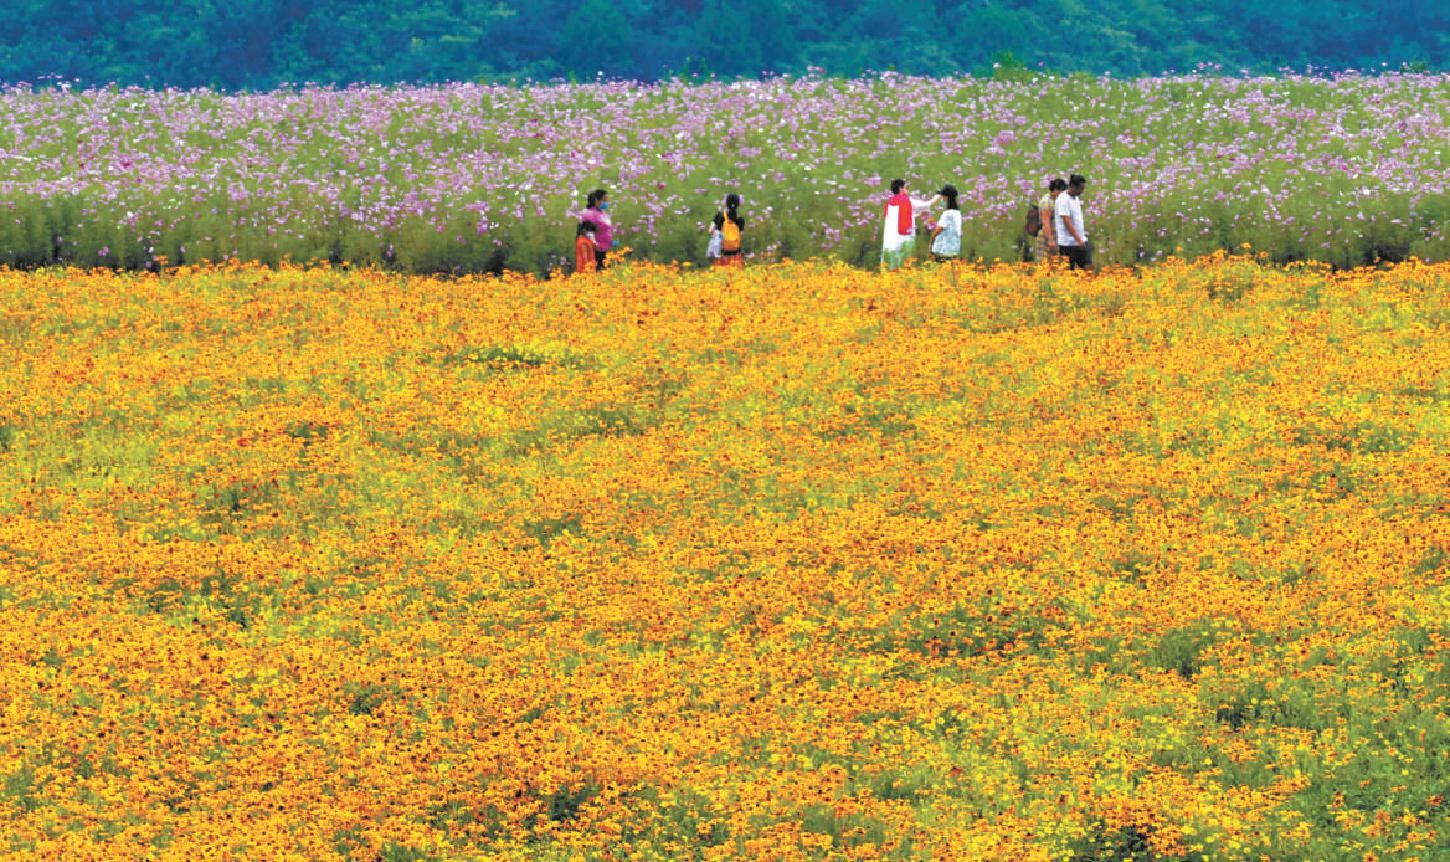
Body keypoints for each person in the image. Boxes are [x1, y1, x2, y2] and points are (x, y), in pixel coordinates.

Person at [881, 179, 941, 271]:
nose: (907, 190)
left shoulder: (889, 202)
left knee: (891, 261)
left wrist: (919, 214)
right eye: (906, 188)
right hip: (903, 236)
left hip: (890, 238)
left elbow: (903, 215)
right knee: (904, 259)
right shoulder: (908, 201)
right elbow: (928, 204)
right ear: (901, 189)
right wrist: (938, 196)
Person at [1054, 174, 1091, 271]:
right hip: (1068, 243)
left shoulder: (1076, 198)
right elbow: (1067, 221)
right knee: (1068, 272)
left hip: (1081, 241)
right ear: (1073, 187)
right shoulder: (1063, 200)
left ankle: (1088, 286)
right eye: (1080, 189)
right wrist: (1078, 239)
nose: (1082, 191)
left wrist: (1081, 237)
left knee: (1088, 267)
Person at [580, 189, 614, 269]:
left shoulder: (602, 212)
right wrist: (593, 242)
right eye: (604, 200)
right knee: (598, 270)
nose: (606, 203)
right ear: (596, 200)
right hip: (595, 249)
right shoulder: (589, 214)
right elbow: (587, 230)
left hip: (604, 247)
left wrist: (610, 241)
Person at [1037, 178, 1067, 267]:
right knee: (1045, 263)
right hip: (1048, 236)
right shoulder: (1047, 202)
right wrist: (1050, 240)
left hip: (1056, 235)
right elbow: (1046, 222)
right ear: (1055, 190)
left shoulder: (1057, 200)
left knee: (1057, 263)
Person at [712, 194, 746, 268]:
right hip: (736, 253)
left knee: (723, 274)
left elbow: (711, 230)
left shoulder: (719, 216)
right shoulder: (740, 219)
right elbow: (741, 235)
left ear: (726, 203)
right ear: (738, 204)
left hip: (723, 252)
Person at [929, 185, 962, 262]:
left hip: (943, 250)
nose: (942, 198)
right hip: (954, 248)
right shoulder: (957, 213)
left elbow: (938, 230)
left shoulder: (947, 214)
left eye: (942, 196)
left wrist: (931, 244)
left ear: (947, 197)